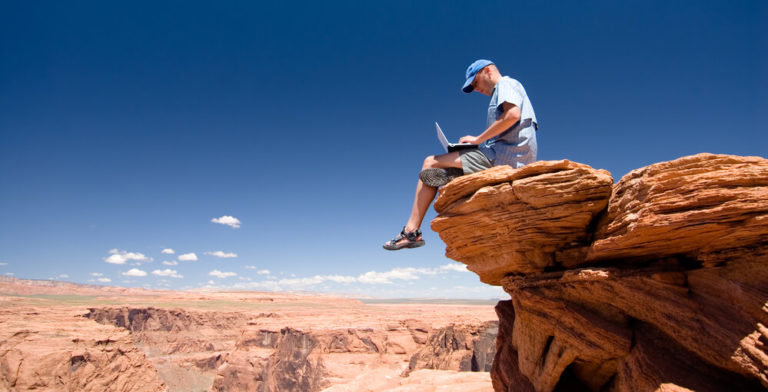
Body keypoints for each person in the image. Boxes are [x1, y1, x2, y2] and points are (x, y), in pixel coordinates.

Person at [383, 59, 538, 250]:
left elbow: (513, 115)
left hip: (504, 159)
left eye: (475, 83)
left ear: (488, 71)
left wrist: (477, 139)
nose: (475, 89)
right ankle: (458, 176)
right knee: (445, 165)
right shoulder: (503, 91)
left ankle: (411, 232)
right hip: (503, 155)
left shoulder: (506, 83)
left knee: (430, 162)